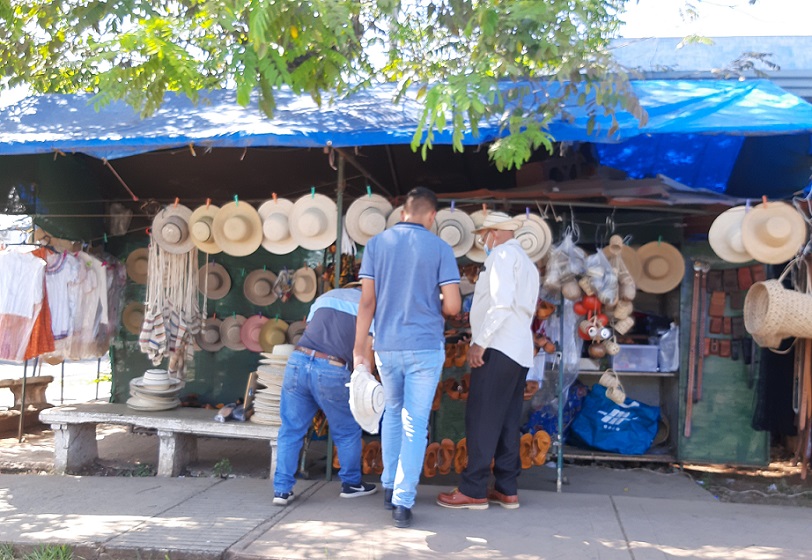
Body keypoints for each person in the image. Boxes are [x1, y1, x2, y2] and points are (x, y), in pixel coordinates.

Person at [353, 186, 461, 529]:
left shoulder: (376, 245)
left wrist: (359, 349)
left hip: (386, 346)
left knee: (393, 417)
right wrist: (437, 304)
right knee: (415, 423)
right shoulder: (441, 248)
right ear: (432, 216)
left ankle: (388, 486)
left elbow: (367, 302)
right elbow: (454, 306)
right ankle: (403, 501)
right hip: (425, 347)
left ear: (402, 213)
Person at [436, 211, 539, 510]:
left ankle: (473, 489)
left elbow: (501, 304)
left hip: (498, 346)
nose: (483, 240)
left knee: (482, 418)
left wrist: (480, 342)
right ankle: (507, 487)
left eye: (484, 235)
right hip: (518, 350)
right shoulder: (527, 263)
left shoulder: (502, 257)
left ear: (494, 232)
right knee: (506, 419)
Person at [273, 283, 377, 506]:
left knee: (291, 429)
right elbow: (367, 352)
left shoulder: (326, 297)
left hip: (298, 361)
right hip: (332, 367)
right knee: (347, 430)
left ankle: (281, 490)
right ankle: (351, 484)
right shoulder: (370, 305)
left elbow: (311, 328)